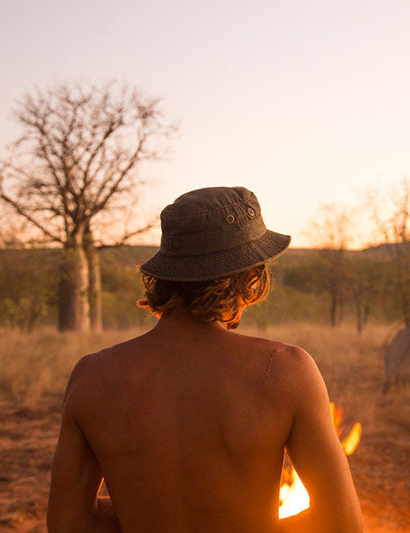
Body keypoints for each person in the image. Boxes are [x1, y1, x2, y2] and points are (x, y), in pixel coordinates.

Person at [47, 187, 364, 533]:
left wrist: (142, 509)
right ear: (252, 276)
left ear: (166, 274)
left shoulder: (91, 376)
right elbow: (343, 524)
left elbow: (69, 523)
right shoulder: (285, 370)